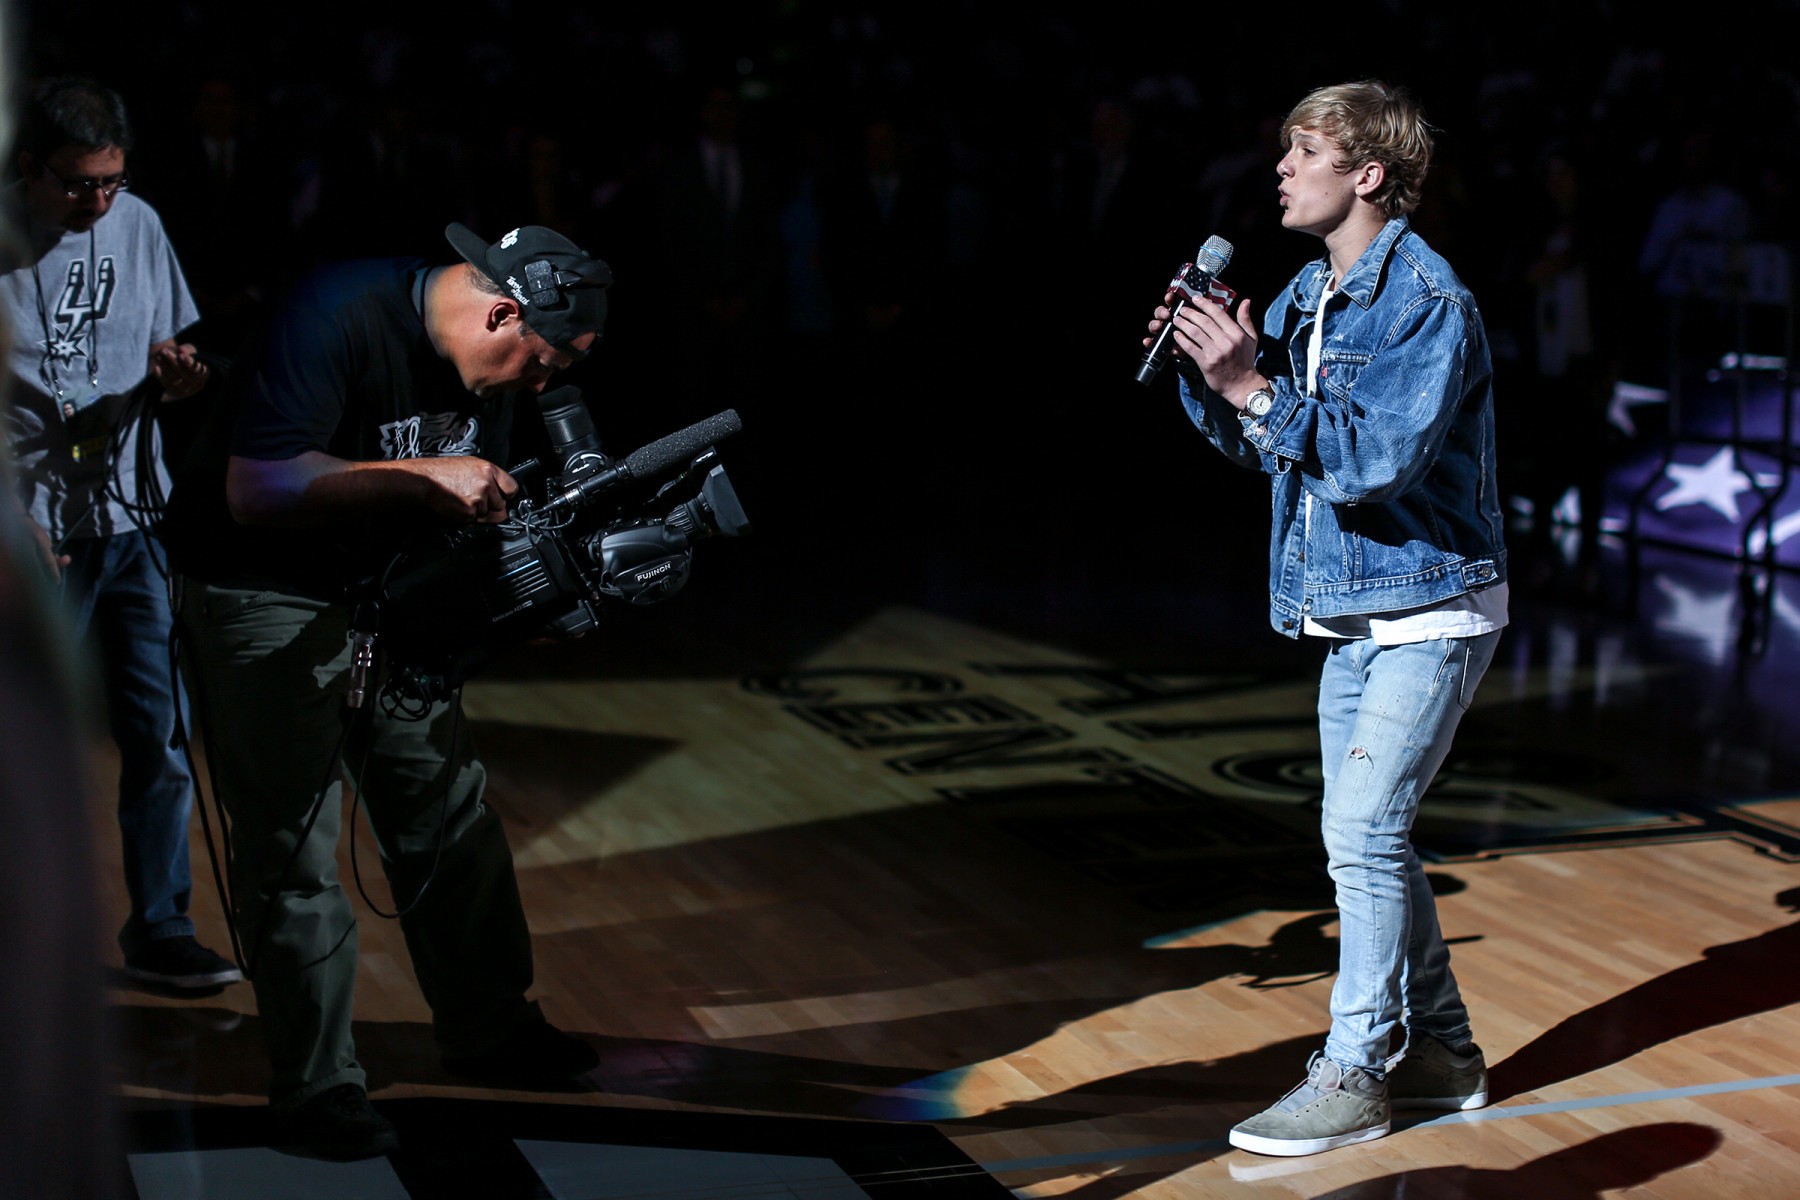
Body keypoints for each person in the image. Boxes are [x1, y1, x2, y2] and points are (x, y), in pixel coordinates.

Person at [158, 222, 611, 1160]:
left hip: (393, 590)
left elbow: (465, 506)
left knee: (449, 812)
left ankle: (492, 1027)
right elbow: (257, 487)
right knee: (293, 844)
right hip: (265, 591)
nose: (542, 385)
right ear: (503, 312)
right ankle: (318, 1085)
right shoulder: (334, 313)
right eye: (543, 361)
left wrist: (521, 589)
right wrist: (423, 474)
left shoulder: (490, 375)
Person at [1146, 80, 1507, 1157]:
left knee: (1361, 833)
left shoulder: (1427, 299)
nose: (1281, 168)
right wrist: (1213, 375)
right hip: (1351, 603)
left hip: (1430, 601)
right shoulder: (1312, 290)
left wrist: (1252, 387)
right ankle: (1446, 1053)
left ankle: (1355, 1072)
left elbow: (1371, 464)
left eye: (1304, 151)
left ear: (1369, 174)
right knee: (1370, 834)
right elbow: (1271, 448)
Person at [0, 76, 240, 993]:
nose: (98, 202)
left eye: (111, 181)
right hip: (31, 526)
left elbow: (168, 353)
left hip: (132, 515)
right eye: (77, 184)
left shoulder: (137, 224)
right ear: (29, 167)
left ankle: (163, 927)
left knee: (160, 733)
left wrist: (181, 375)